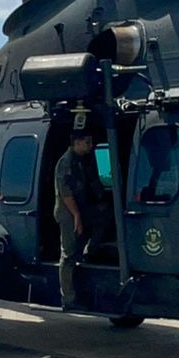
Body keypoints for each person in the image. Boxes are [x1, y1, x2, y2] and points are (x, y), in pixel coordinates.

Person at [54, 129, 107, 309]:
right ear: (76, 142)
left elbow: (91, 182)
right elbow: (66, 194)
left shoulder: (82, 161)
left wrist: (101, 201)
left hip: (81, 209)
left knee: (102, 221)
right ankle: (68, 299)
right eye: (87, 142)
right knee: (68, 254)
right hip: (68, 213)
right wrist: (76, 216)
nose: (90, 146)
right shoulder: (66, 163)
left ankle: (87, 254)